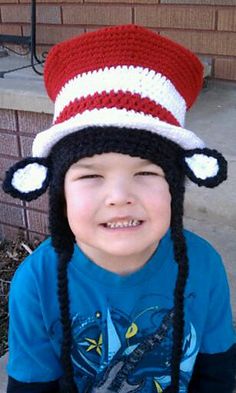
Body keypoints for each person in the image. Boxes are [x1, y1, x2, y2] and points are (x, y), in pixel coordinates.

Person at [3, 24, 236, 393]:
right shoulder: (36, 282)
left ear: (176, 185)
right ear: (57, 189)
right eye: (91, 176)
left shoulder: (204, 266)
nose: (119, 196)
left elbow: (218, 375)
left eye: (145, 171)